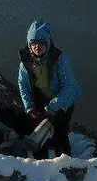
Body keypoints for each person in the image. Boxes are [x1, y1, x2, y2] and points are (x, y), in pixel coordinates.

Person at [17, 20, 82, 156]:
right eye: (33, 43)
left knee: (60, 129)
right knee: (40, 128)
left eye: (41, 43)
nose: (37, 47)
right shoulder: (26, 62)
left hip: (64, 100)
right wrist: (29, 106)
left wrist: (53, 108)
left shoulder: (60, 59)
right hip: (43, 98)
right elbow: (22, 84)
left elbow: (69, 87)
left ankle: (65, 158)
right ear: (29, 45)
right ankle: (43, 156)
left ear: (48, 43)